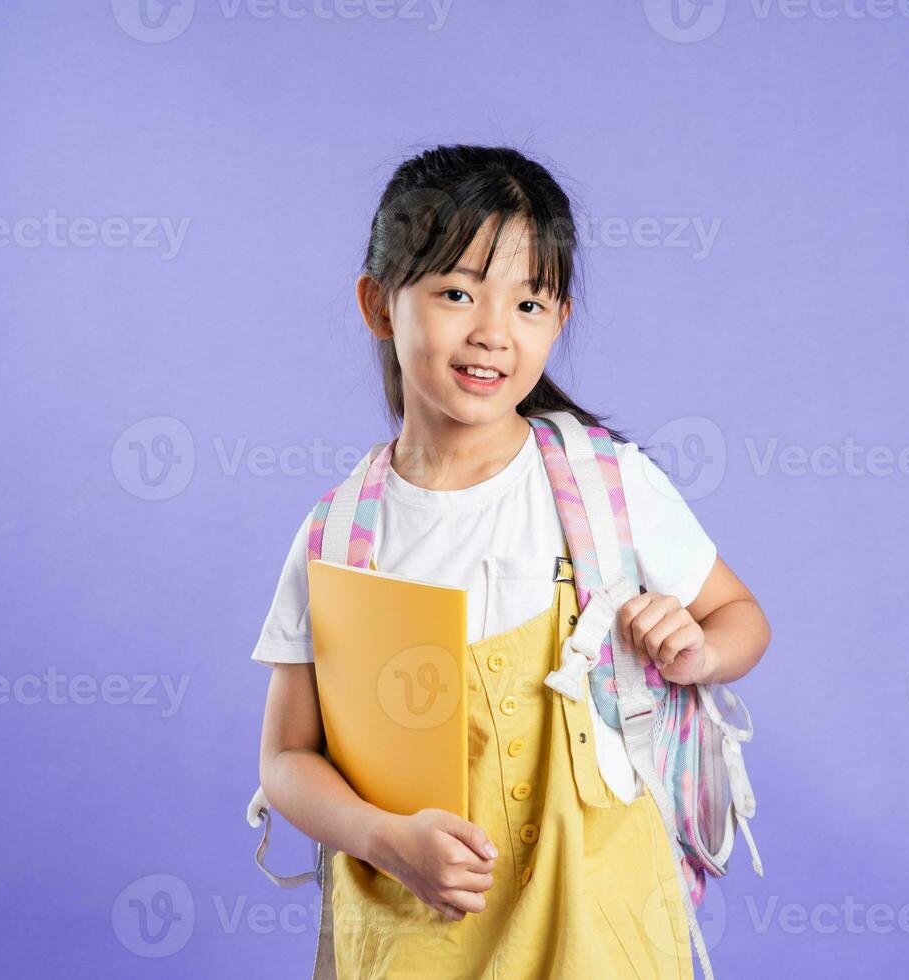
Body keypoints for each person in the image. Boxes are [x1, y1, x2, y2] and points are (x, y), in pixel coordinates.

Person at [251, 144, 772, 978]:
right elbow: (285, 760)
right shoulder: (340, 536)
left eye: (528, 303)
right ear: (379, 305)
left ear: (558, 319)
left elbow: (741, 618)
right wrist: (385, 838)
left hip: (594, 916)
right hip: (418, 924)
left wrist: (699, 650)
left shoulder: (605, 486)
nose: (493, 332)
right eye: (456, 293)